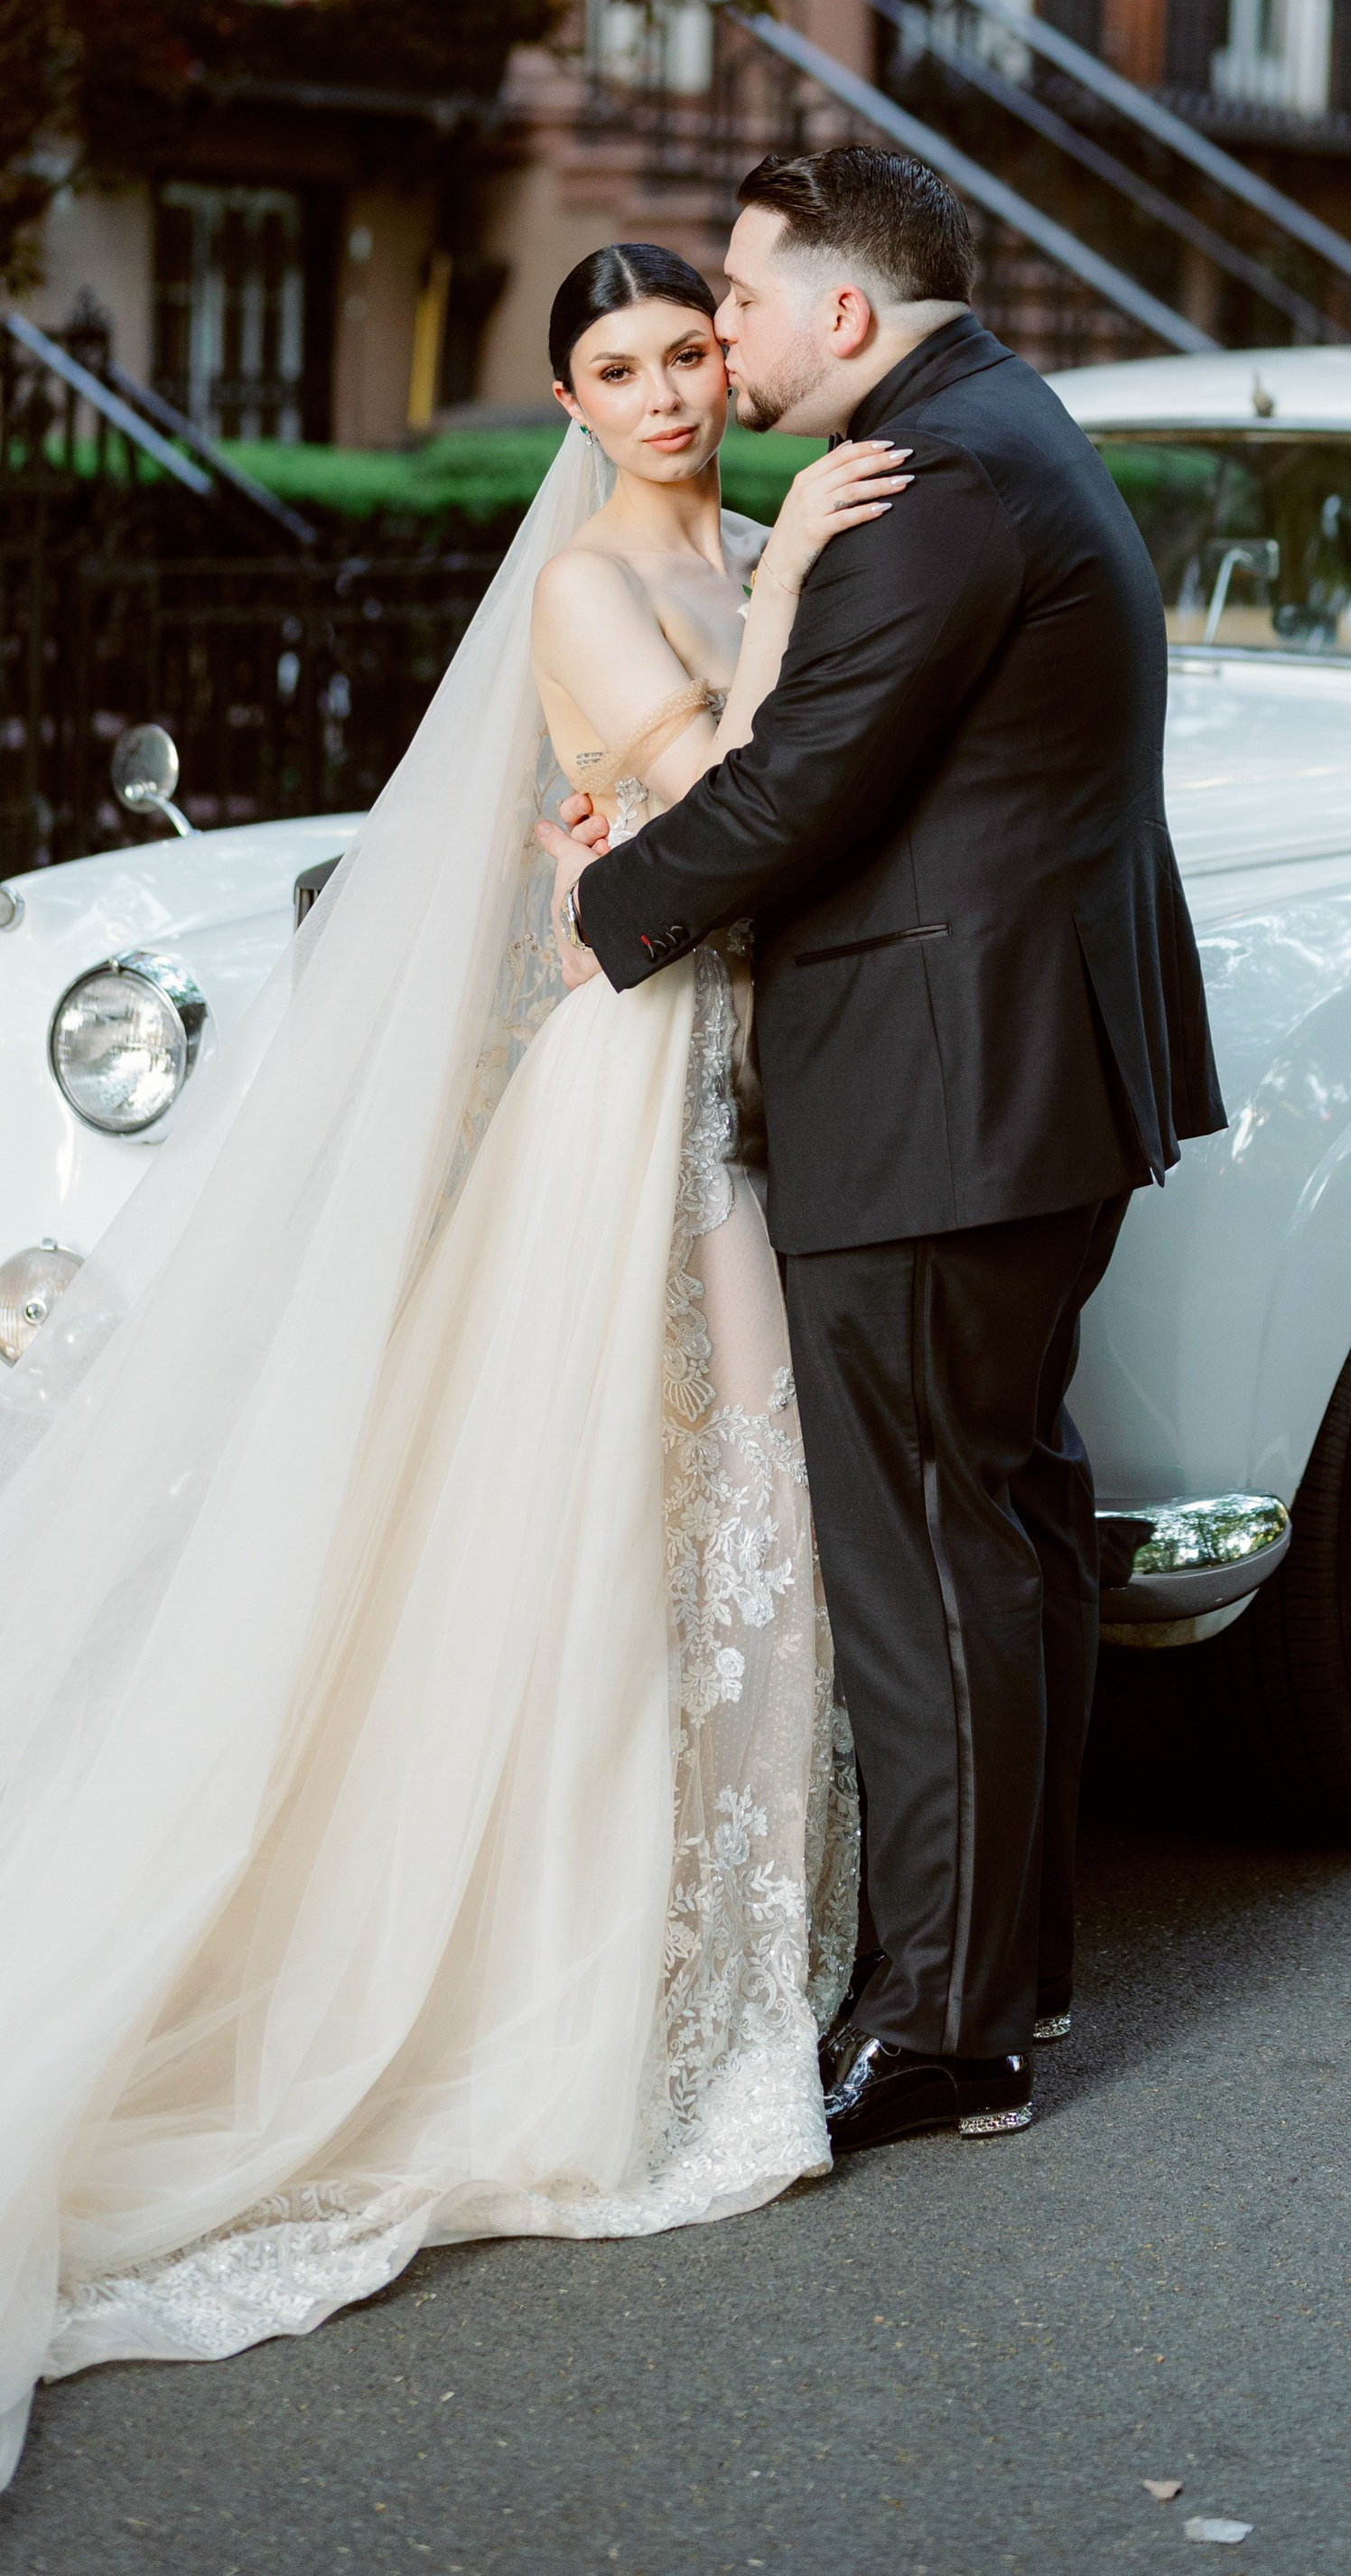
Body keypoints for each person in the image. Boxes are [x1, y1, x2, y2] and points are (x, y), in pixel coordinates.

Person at [0, 241, 901, 2487]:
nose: (671, 390)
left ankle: (736, 1985)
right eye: (619, 369)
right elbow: (733, 827)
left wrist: (774, 596)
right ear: (574, 409)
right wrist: (794, 597)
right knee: (702, 1505)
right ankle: (626, 2025)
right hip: (654, 1096)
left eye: (692, 348)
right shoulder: (605, 586)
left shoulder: (735, 536)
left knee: (740, 1513)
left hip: (757, 1068)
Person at [536, 145, 1225, 2157]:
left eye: (733, 307)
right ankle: (1003, 1984)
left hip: (940, 1099)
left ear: (842, 312)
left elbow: (803, 790)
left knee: (932, 1561)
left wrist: (596, 916)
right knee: (997, 1534)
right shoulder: (1000, 428)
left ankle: (940, 2026)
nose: (715, 353)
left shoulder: (931, 490)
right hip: (1011, 1083)